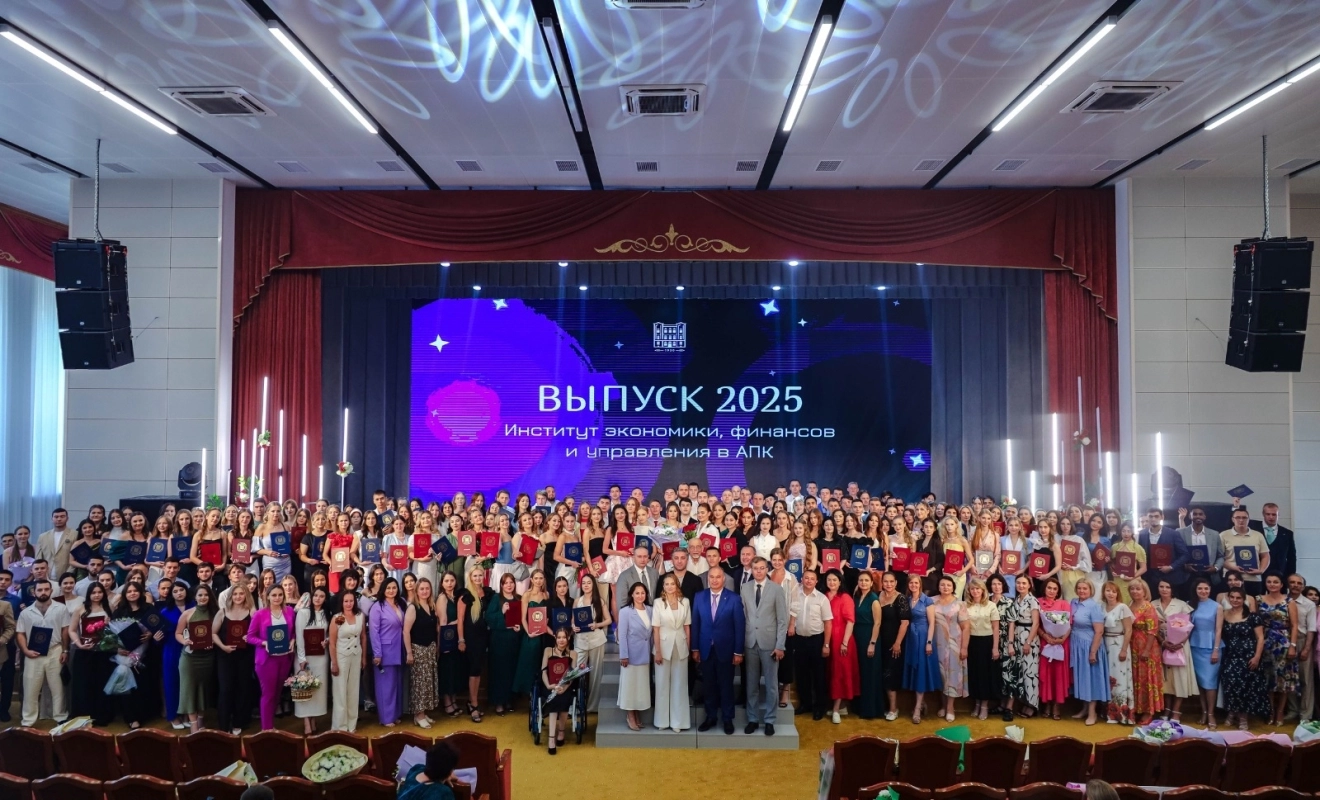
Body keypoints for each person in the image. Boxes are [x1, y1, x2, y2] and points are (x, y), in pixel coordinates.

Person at [691, 565, 745, 734]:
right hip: (705, 649)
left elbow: (739, 627)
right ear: (708, 579)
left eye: (718, 577)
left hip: (726, 650)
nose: (714, 580)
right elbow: (696, 624)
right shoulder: (699, 597)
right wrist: (695, 648)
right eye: (711, 577)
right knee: (709, 685)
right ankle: (711, 717)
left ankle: (728, 719)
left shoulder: (734, 599)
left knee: (726, 685)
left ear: (724, 579)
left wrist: (738, 651)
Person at [247, 584, 296, 730]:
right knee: (268, 694)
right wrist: (264, 643)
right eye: (274, 595)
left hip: (285, 659)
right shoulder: (260, 614)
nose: (277, 598)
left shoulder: (289, 611)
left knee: (277, 693)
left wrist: (293, 640)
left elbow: (293, 631)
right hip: (267, 660)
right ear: (267, 596)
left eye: (280, 595)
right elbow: (249, 637)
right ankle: (266, 729)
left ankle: (270, 725)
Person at [1220, 587, 1270, 730]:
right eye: (1232, 597)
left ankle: (1243, 717)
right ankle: (1231, 712)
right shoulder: (1223, 614)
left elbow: (1260, 638)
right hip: (1230, 656)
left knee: (1246, 688)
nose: (1235, 600)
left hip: (1248, 657)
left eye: (1238, 598)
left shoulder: (1253, 616)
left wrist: (1257, 657)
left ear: (1244, 599)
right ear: (1228, 598)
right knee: (1230, 686)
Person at [1256, 572, 1299, 726]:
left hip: (1283, 643)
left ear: (1281, 584)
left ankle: (1280, 712)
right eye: (1269, 581)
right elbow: (1256, 623)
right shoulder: (1258, 599)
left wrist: (1292, 646)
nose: (1272, 584)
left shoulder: (1289, 601)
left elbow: (1294, 625)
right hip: (1265, 642)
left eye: (1275, 582)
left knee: (1282, 679)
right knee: (1268, 678)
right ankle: (1271, 711)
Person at [1153, 577, 1197, 721]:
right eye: (1161, 586)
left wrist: (1179, 643)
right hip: (1161, 645)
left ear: (1172, 589)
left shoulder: (1181, 604)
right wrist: (1163, 642)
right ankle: (1166, 710)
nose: (1164, 589)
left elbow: (1188, 628)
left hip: (1179, 647)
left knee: (1179, 678)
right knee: (1165, 679)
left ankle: (1176, 711)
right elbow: (1151, 627)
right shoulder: (1153, 604)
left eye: (1167, 587)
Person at [652, 572, 691, 732]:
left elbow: (687, 627)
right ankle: (662, 721)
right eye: (666, 584)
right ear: (663, 586)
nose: (669, 587)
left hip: (680, 647)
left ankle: (678, 722)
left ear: (677, 585)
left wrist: (688, 647)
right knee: (662, 684)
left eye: (672, 584)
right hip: (662, 647)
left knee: (679, 685)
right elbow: (656, 629)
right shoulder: (658, 603)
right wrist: (658, 651)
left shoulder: (685, 602)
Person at [213, 582, 255, 735]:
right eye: (235, 594)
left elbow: (258, 633)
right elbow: (213, 633)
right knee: (225, 689)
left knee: (243, 688)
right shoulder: (222, 611)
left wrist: (249, 637)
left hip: (245, 655)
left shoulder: (252, 612)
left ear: (246, 595)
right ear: (230, 596)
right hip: (225, 656)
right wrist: (223, 647)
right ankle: (224, 724)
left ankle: (239, 722)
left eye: (241, 593)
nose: (238, 597)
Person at [1069, 577, 1109, 725]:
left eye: (1085, 588)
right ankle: (1085, 709)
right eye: (1079, 588)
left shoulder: (1094, 606)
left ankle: (1093, 713)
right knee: (1082, 678)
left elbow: (1099, 631)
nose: (1081, 591)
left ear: (1091, 590)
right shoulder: (1073, 602)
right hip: (1077, 645)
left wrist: (1093, 652)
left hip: (1090, 646)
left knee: (1091, 679)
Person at [902, 571, 941, 722]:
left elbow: (932, 623)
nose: (913, 585)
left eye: (916, 583)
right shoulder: (906, 599)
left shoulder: (927, 601)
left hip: (923, 637)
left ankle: (917, 708)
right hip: (910, 638)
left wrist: (929, 642)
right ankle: (922, 702)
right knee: (914, 671)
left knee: (921, 673)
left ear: (920, 584)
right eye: (911, 583)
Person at [370, 577, 408, 726]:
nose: (391, 591)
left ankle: (395, 714)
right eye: (388, 588)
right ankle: (386, 718)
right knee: (386, 687)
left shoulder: (400, 603)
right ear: (383, 589)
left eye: (394, 587)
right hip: (384, 652)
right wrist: (377, 653)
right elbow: (374, 632)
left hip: (399, 650)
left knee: (397, 685)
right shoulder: (377, 606)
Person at [931, 575, 969, 722]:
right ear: (938, 586)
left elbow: (966, 627)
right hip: (936, 644)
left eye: (948, 585)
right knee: (940, 675)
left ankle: (950, 707)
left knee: (952, 676)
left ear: (953, 587)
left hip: (954, 645)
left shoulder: (960, 604)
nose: (945, 587)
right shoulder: (931, 601)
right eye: (942, 585)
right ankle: (943, 705)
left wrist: (964, 647)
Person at [616, 581, 653, 730]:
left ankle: (637, 713)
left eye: (642, 593)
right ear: (632, 594)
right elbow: (622, 635)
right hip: (630, 656)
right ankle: (630, 715)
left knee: (640, 687)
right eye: (637, 593)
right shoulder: (625, 612)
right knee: (630, 686)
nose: (640, 596)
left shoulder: (650, 610)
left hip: (645, 654)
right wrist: (623, 655)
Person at [457, 565, 491, 723]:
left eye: (480, 575)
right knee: (473, 670)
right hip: (470, 638)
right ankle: (474, 705)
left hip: (483, 636)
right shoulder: (465, 596)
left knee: (478, 671)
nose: (478, 578)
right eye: (475, 576)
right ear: (470, 577)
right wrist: (461, 639)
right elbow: (460, 620)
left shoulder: (486, 593)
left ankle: (473, 701)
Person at [1003, 574, 1040, 720]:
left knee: (1030, 672)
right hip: (1017, 635)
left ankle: (1032, 706)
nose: (1021, 585)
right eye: (1018, 583)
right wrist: (1011, 643)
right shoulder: (1016, 600)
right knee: (1019, 672)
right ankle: (1023, 703)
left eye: (1024, 583)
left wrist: (1028, 642)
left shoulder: (1033, 601)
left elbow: (1036, 624)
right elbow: (1012, 622)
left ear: (1029, 585)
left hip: (1029, 637)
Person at [294, 586, 331, 733]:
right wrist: (302, 658)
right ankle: (306, 722)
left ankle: (314, 719)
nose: (318, 599)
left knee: (317, 689)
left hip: (321, 657)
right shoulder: (303, 613)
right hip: (305, 657)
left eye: (321, 596)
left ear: (325, 599)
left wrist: (327, 641)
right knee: (304, 688)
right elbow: (299, 636)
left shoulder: (326, 613)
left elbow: (329, 633)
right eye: (315, 595)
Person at [823, 569, 858, 724]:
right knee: (830, 673)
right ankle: (838, 706)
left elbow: (850, 621)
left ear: (840, 582)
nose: (831, 583)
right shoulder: (823, 596)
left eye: (834, 580)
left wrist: (844, 642)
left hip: (842, 640)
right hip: (826, 639)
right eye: (829, 580)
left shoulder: (845, 598)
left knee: (840, 674)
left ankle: (837, 710)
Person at [329, 588, 366, 732]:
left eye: (351, 601)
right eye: (346, 601)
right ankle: (340, 727)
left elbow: (363, 637)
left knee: (353, 691)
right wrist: (334, 663)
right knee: (340, 692)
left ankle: (351, 725)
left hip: (356, 655)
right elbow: (332, 643)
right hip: (341, 657)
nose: (349, 604)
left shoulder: (360, 616)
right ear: (342, 602)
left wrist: (363, 657)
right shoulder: (337, 618)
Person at [1187, 577, 1223, 729]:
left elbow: (1218, 629)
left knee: (1210, 683)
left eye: (1206, 588)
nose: (1203, 591)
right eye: (1200, 588)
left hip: (1211, 648)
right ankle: (1204, 712)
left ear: (1210, 590)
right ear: (1195, 590)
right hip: (1195, 646)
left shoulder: (1217, 606)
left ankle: (1211, 714)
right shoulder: (1189, 605)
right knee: (1201, 683)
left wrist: (1215, 650)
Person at [1128, 578, 1164, 724]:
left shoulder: (1148, 607)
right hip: (1133, 645)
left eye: (1138, 589)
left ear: (1144, 591)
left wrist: (1147, 650)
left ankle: (1149, 711)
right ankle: (1137, 708)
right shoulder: (1129, 605)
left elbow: (1152, 630)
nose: (1135, 591)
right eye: (1132, 589)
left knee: (1147, 678)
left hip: (1146, 645)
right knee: (1136, 677)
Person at [573, 572, 610, 713]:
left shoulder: (599, 601)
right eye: (584, 583)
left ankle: (593, 706)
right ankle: (576, 704)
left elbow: (609, 620)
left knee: (596, 675)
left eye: (589, 583)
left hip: (596, 640)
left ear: (593, 585)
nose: (586, 585)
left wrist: (597, 625)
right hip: (580, 641)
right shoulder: (577, 601)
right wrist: (573, 627)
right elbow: (573, 621)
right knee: (576, 672)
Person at [485, 573, 521, 716]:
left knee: (511, 670)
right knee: (499, 672)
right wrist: (502, 611)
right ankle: (499, 703)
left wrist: (520, 628)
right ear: (501, 585)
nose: (509, 585)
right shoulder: (496, 598)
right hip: (499, 640)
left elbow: (523, 619)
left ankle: (508, 700)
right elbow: (489, 618)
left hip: (513, 640)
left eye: (511, 582)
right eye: (506, 583)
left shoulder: (518, 599)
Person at [964, 578, 1000, 721]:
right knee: (974, 674)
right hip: (971, 642)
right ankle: (977, 703)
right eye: (972, 589)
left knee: (985, 675)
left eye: (978, 588)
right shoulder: (965, 605)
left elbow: (996, 628)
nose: (975, 591)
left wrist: (995, 647)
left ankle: (984, 705)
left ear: (983, 590)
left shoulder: (991, 605)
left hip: (986, 642)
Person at [540, 627, 580, 755]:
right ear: (555, 639)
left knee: (563, 697)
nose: (561, 640)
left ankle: (561, 731)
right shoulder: (548, 651)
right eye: (559, 637)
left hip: (566, 686)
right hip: (550, 686)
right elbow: (543, 671)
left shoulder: (573, 654)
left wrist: (564, 687)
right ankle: (551, 738)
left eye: (564, 637)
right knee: (554, 697)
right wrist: (549, 686)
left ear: (568, 639)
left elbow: (572, 675)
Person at [877, 571, 910, 721]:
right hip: (880, 642)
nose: (888, 584)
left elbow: (905, 623)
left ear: (896, 583)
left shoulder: (901, 598)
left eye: (891, 581)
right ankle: (883, 706)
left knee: (890, 675)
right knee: (881, 673)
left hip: (894, 643)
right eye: (886, 581)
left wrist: (897, 643)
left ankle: (893, 708)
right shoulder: (878, 595)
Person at [1101, 581, 1134, 725]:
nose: (1111, 594)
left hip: (1119, 643)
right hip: (1105, 643)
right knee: (1107, 677)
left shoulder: (1123, 607)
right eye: (1108, 590)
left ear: (1118, 594)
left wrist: (1124, 649)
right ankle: (1108, 712)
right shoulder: (1101, 606)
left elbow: (1128, 630)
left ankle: (1121, 714)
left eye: (1114, 591)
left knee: (1119, 678)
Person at [1287, 573, 1316, 723]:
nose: (1295, 585)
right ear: (1287, 584)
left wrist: (1306, 648)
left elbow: (1311, 628)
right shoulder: (1282, 600)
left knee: (1305, 680)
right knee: (1289, 678)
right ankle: (1293, 710)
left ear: (1303, 586)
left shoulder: (1309, 604)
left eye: (1299, 583)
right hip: (1285, 642)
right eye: (1292, 582)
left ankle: (1305, 714)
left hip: (1302, 641)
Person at [1221, 507, 1270, 595]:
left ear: (1248, 519)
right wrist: (1232, 567)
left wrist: (1261, 570)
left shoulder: (1258, 535)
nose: (1241, 520)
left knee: (1254, 602)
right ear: (1232, 519)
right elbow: (1219, 557)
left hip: (1253, 578)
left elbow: (1265, 556)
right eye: (1238, 517)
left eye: (1244, 518)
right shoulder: (1223, 535)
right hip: (1231, 579)